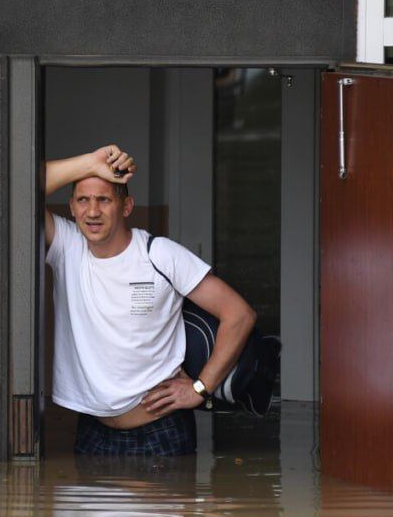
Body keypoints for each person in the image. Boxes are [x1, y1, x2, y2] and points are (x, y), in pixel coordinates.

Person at [45, 144, 257, 456]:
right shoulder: (67, 248)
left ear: (126, 206)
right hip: (92, 432)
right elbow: (16, 182)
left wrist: (201, 388)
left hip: (160, 433)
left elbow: (239, 315)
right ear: (72, 207)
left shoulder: (159, 255)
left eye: (104, 199)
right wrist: (91, 163)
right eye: (83, 200)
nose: (92, 212)